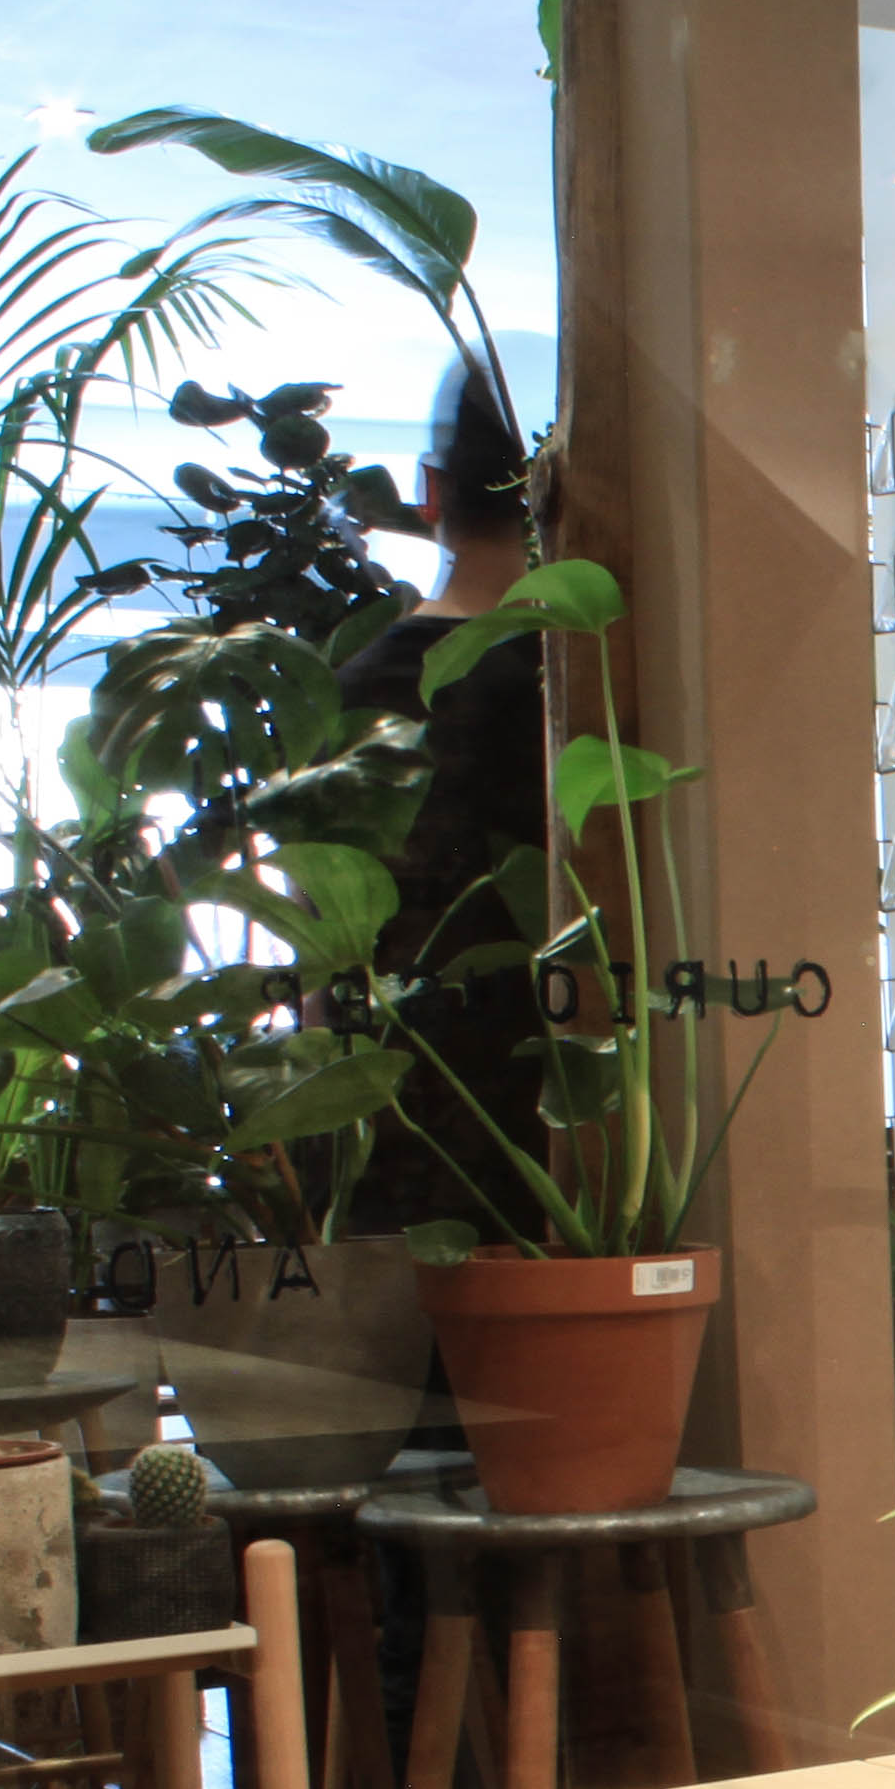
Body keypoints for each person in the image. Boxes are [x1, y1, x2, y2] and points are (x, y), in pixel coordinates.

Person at [337, 350, 551, 1231]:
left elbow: (323, 924)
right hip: (545, 1085)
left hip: (392, 1089)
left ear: (431, 495)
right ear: (545, 492)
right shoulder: (569, 683)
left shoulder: (355, 688)